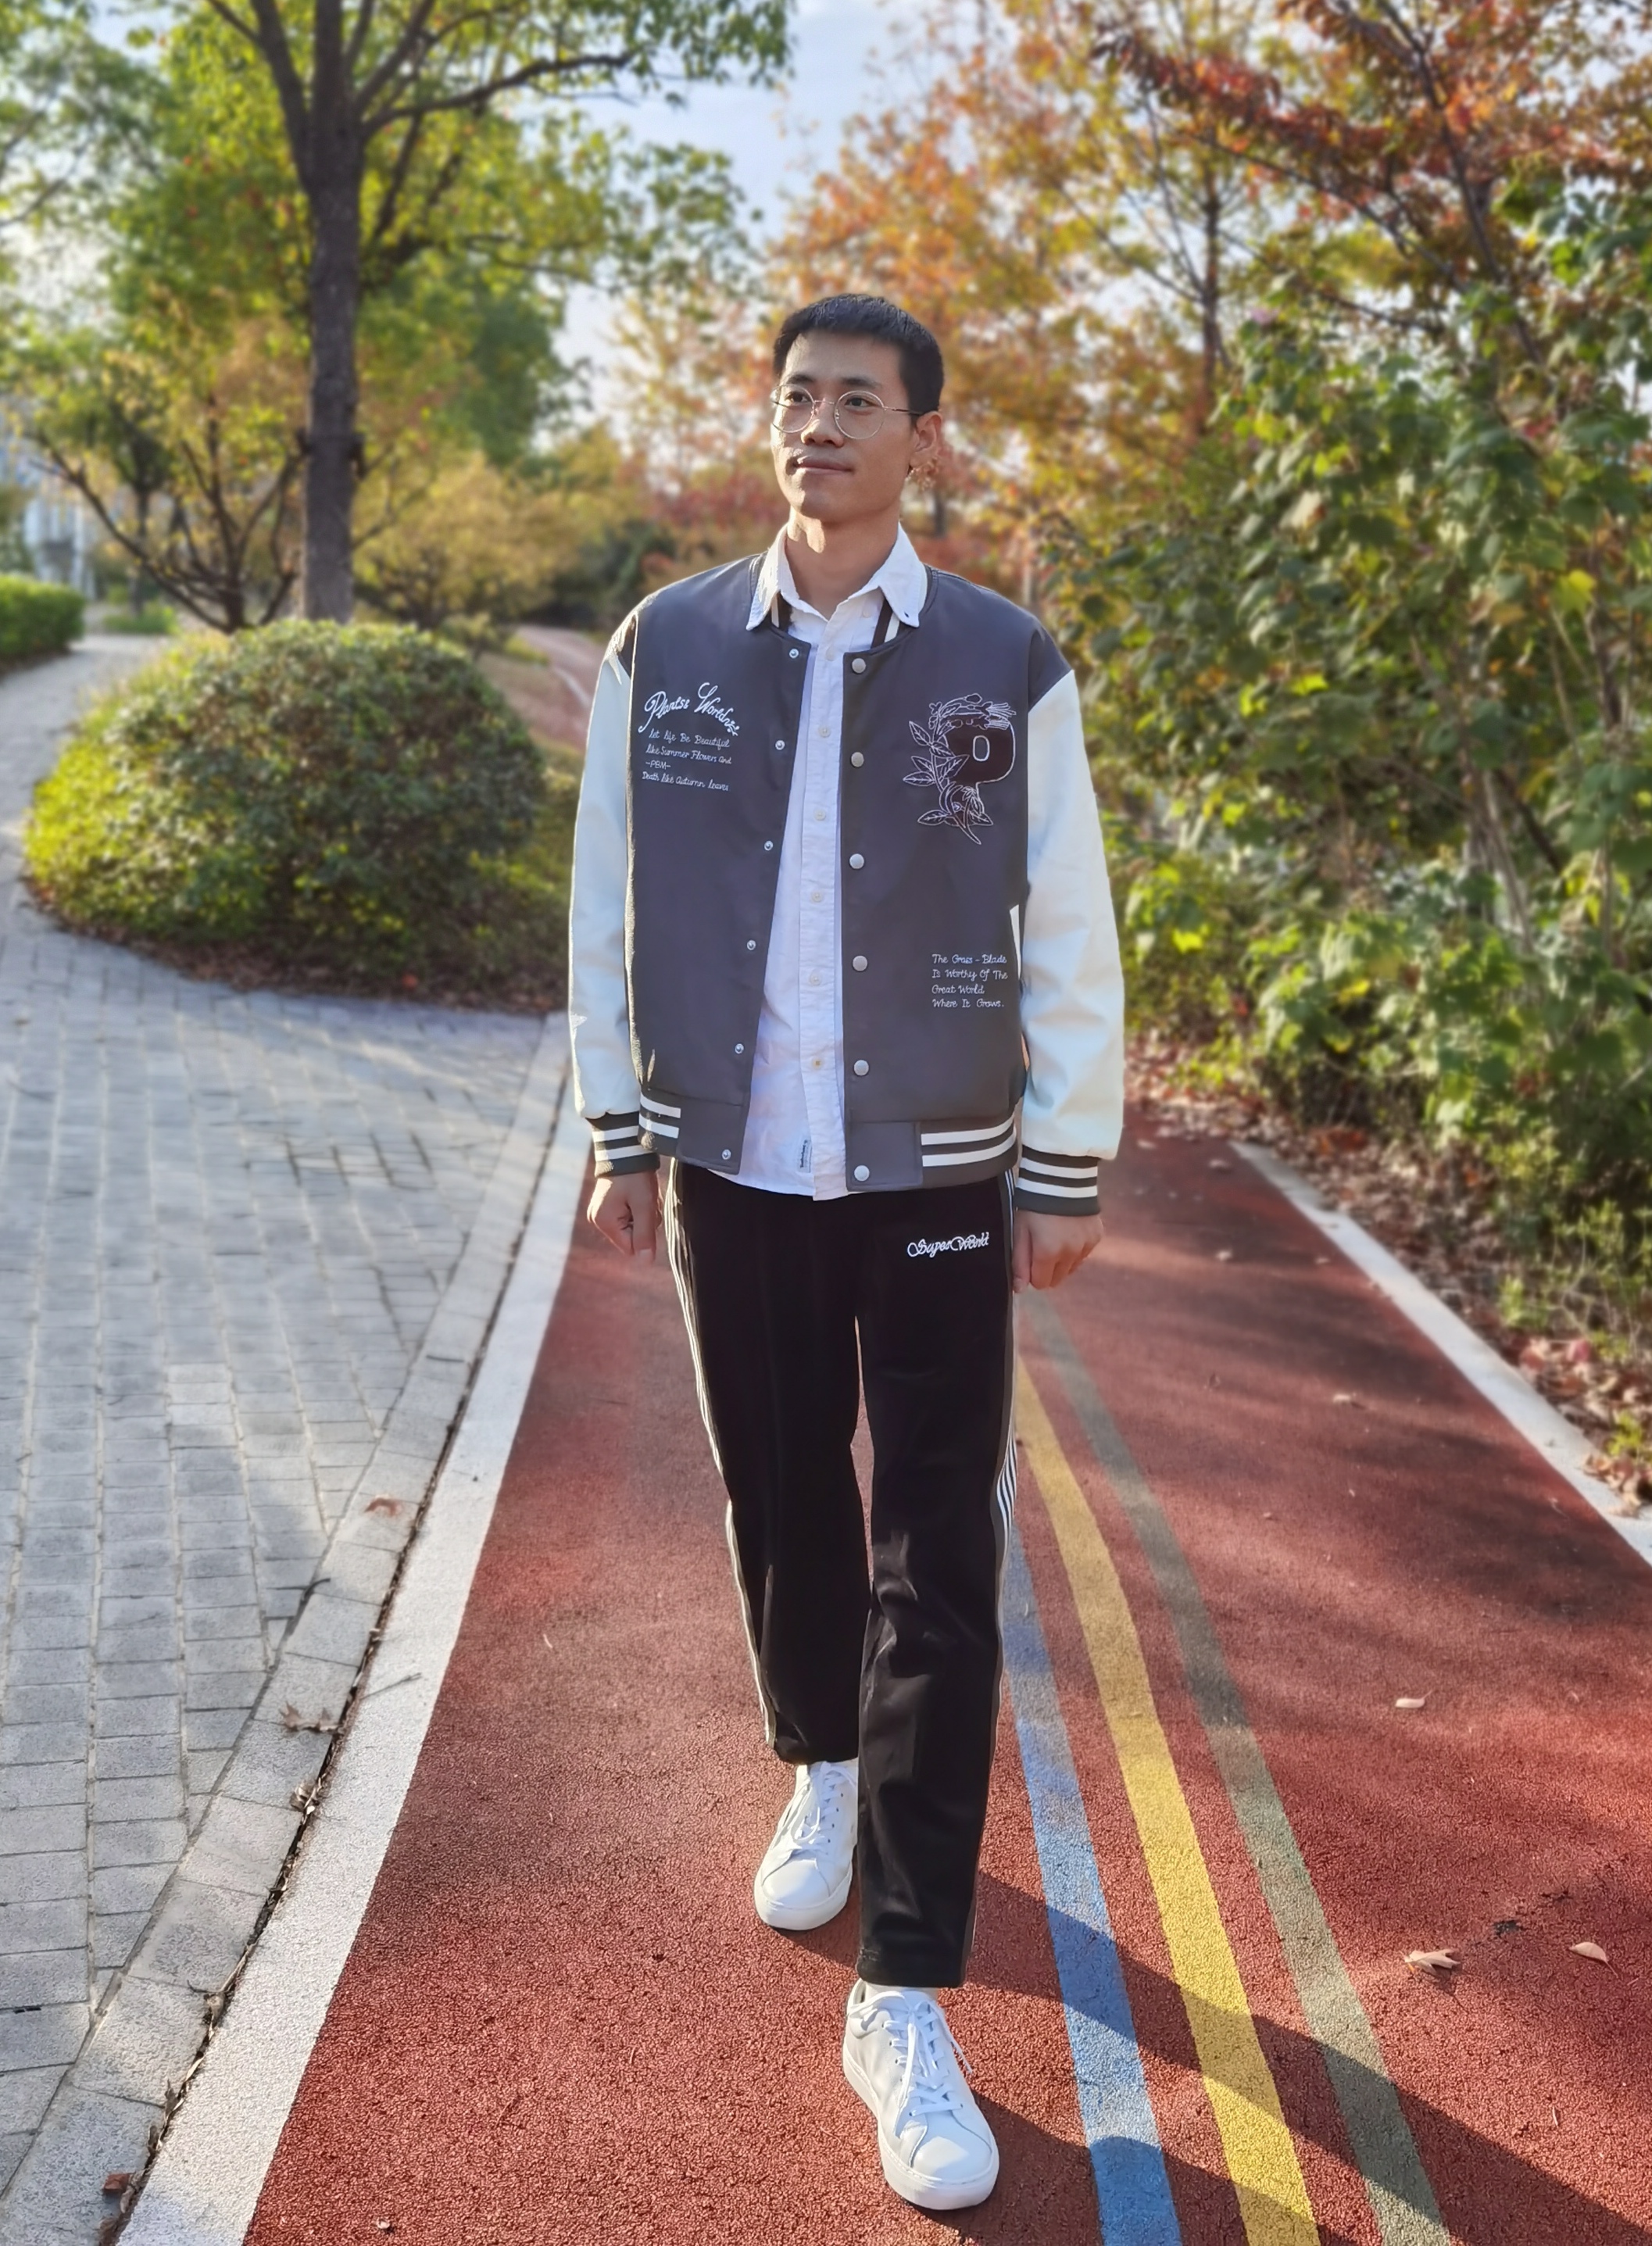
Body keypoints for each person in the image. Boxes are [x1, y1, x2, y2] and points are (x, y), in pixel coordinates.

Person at [567, 293, 1123, 2212]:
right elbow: (603, 900)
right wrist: (615, 1125)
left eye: (857, 400)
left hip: (939, 1165)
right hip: (733, 1159)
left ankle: (903, 1992)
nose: (819, 423)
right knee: (783, 1493)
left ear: (921, 440)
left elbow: (1069, 916)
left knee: (935, 1561)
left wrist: (1067, 1158)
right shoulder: (665, 645)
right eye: (797, 396)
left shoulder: (1001, 659)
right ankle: (816, 1756)